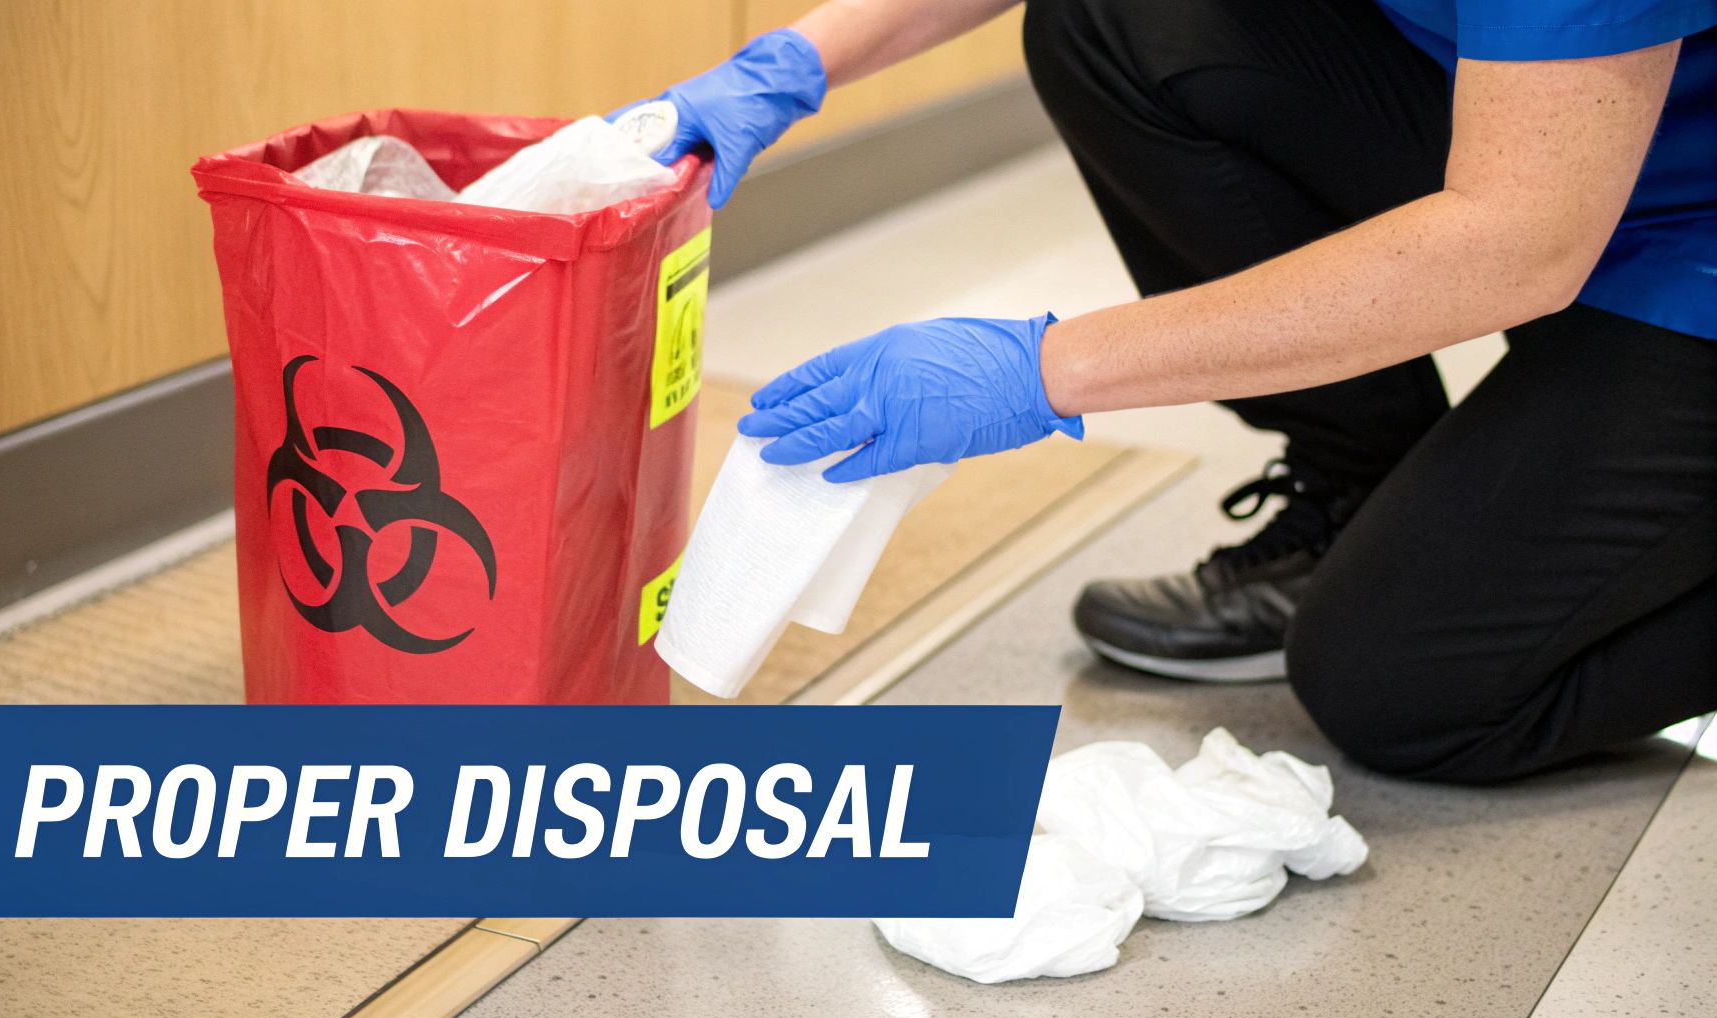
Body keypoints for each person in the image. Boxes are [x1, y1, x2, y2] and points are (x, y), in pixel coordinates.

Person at [628, 0, 1717, 783]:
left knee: (1395, 688)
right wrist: (791, 63)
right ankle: (1355, 497)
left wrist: (1037, 368)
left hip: (1665, 236)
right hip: (1562, 149)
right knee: (1116, 23)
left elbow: (1515, 242)